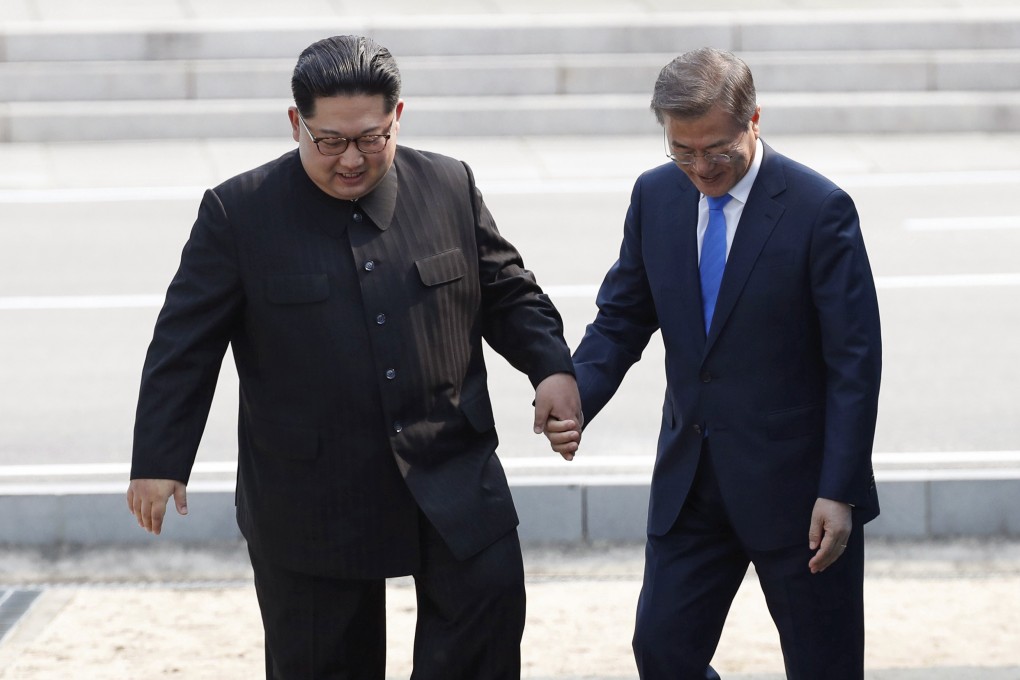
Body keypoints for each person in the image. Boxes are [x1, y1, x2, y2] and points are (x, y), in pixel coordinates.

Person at [127, 34, 582, 680]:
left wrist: (553, 368)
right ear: (296, 125)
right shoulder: (239, 214)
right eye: (330, 141)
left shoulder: (449, 186)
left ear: (399, 117)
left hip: (451, 469)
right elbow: (183, 345)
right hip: (311, 496)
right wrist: (159, 460)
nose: (351, 160)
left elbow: (509, 293)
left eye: (371, 139)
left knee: (484, 631)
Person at [545, 48, 881, 679]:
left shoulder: (819, 210)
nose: (699, 167)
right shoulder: (655, 196)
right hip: (691, 487)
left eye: (716, 150)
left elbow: (855, 363)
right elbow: (621, 318)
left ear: (754, 120)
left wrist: (839, 490)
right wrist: (577, 393)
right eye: (682, 150)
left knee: (824, 666)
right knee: (663, 653)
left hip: (799, 493)